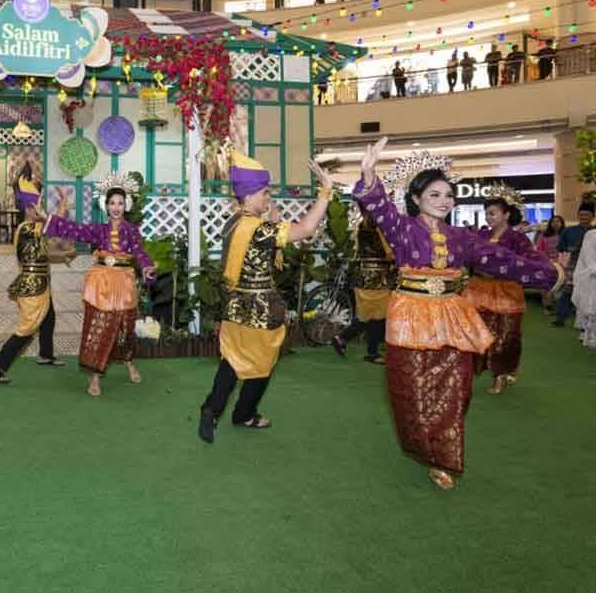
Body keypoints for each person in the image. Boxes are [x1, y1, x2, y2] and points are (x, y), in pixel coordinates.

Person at [353, 139, 562, 490]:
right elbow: (379, 209)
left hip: (452, 314)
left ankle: (445, 449)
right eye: (434, 195)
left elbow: (503, 262)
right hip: (411, 318)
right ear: (416, 198)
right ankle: (432, 455)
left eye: (448, 195)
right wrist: (369, 174)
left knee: (459, 387)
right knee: (415, 391)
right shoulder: (402, 228)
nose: (444, 201)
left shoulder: (462, 237)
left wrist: (549, 273)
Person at [198, 152, 334, 443]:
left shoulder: (234, 223)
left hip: (234, 307)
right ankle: (244, 413)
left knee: (231, 362)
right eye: (265, 192)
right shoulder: (259, 230)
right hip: (260, 309)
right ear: (248, 195)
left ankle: (211, 411)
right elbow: (307, 229)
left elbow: (256, 250)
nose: (268, 196)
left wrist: (272, 219)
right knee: (262, 363)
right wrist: (325, 191)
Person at [44, 173, 156, 397]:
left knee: (125, 327)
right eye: (112, 203)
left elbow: (140, 252)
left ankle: (129, 362)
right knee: (100, 326)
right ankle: (95, 377)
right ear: (105, 205)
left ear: (127, 206)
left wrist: (146, 267)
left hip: (123, 283)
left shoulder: (131, 231)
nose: (116, 207)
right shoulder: (98, 230)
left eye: (120, 203)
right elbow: (76, 230)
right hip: (101, 283)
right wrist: (49, 219)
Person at [0, 173, 75, 384]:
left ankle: (45, 354)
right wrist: (62, 206)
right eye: (37, 206)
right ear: (28, 208)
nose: (40, 210)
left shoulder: (29, 230)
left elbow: (43, 251)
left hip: (40, 282)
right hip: (34, 285)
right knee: (27, 328)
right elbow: (51, 227)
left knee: (48, 317)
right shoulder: (28, 229)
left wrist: (63, 255)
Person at [461, 186, 537, 394]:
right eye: (486, 213)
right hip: (479, 289)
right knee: (479, 332)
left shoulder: (518, 239)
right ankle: (477, 370)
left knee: (506, 335)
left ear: (506, 214)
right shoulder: (481, 235)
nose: (488, 217)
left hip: (507, 291)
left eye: (492, 213)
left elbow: (529, 262)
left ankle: (501, 375)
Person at [332, 207, 396, 364]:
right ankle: (344, 338)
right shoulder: (377, 224)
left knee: (371, 316)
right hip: (377, 278)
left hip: (363, 276)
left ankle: (370, 351)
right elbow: (389, 251)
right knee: (373, 317)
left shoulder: (363, 223)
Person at [553, 201, 594, 327]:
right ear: (578, 215)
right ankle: (560, 318)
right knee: (566, 291)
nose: (583, 217)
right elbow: (560, 247)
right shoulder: (568, 231)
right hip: (573, 264)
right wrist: (568, 249)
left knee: (588, 293)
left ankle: (587, 321)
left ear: (592, 216)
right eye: (581, 215)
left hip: (590, 266)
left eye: (586, 215)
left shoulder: (594, 232)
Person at [534, 215, 565, 310]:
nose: (555, 224)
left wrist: (559, 260)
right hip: (547, 263)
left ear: (562, 223)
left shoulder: (565, 234)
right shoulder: (544, 235)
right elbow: (539, 250)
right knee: (546, 284)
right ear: (550, 224)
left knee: (561, 285)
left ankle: (560, 307)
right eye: (553, 221)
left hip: (562, 263)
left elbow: (567, 250)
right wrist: (548, 260)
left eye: (558, 221)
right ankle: (548, 305)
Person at [572, 231, 596, 349]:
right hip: (591, 277)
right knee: (590, 309)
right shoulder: (592, 235)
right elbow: (589, 259)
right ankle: (590, 336)